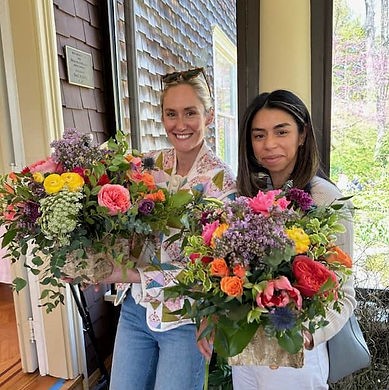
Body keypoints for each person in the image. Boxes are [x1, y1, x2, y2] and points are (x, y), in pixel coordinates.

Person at [106, 67, 236, 390]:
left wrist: (131, 274)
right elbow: (124, 224)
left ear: (208, 115)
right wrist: (92, 257)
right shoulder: (148, 165)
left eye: (190, 113)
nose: (180, 125)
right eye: (171, 114)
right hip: (136, 310)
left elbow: (208, 271)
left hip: (185, 320)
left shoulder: (222, 185)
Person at [231, 89, 356, 390]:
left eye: (281, 132)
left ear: (302, 135)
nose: (269, 144)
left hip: (296, 346)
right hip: (249, 348)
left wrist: (309, 334)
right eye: (258, 135)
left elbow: (345, 293)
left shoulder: (325, 198)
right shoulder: (246, 199)